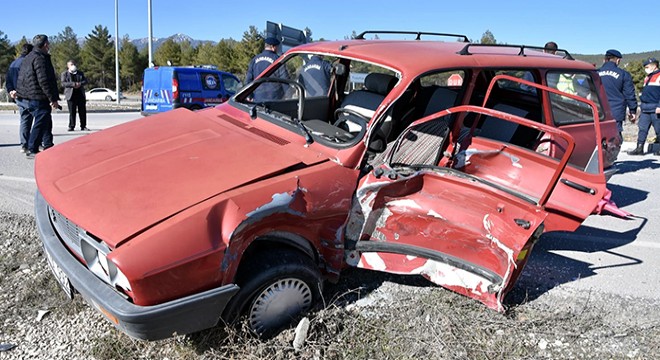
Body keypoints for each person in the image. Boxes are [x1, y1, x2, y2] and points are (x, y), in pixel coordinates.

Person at [15, 34, 59, 158]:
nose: (49, 45)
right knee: (41, 121)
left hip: (30, 95)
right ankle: (32, 147)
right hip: (38, 96)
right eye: (48, 43)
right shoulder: (40, 58)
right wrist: (52, 98)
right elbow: (43, 80)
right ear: (45, 44)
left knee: (45, 121)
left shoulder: (29, 57)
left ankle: (48, 145)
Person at [598, 49, 637, 140]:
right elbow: (629, 94)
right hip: (616, 111)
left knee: (598, 137)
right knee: (615, 139)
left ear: (605, 59)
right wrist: (632, 110)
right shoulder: (623, 74)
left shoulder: (595, 73)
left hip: (598, 111)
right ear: (618, 60)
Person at [5, 43, 34, 153]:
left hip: (17, 96)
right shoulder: (27, 63)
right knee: (38, 118)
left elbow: (8, 80)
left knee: (24, 120)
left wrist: (11, 90)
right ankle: (35, 143)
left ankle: (24, 144)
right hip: (27, 95)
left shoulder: (13, 63)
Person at [629, 57, 660, 155]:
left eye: (647, 67)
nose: (645, 69)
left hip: (655, 107)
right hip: (645, 108)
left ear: (654, 66)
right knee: (642, 129)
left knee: (659, 130)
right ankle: (639, 148)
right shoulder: (647, 77)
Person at [245, 37, 286, 102]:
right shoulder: (278, 60)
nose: (278, 49)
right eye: (277, 47)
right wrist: (288, 95)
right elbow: (284, 79)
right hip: (275, 98)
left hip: (258, 98)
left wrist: (248, 95)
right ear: (273, 47)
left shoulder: (255, 59)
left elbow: (249, 79)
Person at [61, 60, 88, 131]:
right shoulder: (65, 74)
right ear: (68, 66)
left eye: (74, 64)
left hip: (80, 94)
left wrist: (80, 84)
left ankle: (83, 126)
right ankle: (71, 126)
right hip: (71, 95)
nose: (73, 65)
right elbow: (63, 83)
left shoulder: (80, 73)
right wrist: (73, 84)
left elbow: (85, 81)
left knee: (82, 111)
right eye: (71, 64)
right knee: (72, 112)